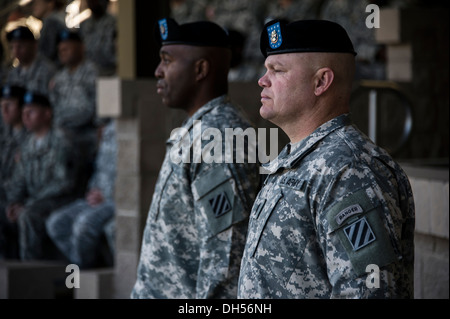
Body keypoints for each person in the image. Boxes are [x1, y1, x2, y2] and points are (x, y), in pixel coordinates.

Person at [237, 19, 415, 299]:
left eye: (277, 70)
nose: (262, 79)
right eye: (265, 69)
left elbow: (368, 293)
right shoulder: (300, 160)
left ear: (321, 81)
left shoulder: (349, 171)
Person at [131, 18, 260, 299]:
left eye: (167, 61)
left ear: (201, 69)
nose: (158, 71)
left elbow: (226, 264)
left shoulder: (220, 139)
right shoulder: (203, 129)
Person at [3, 91, 78, 260]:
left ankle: (31, 271)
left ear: (47, 114)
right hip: (35, 200)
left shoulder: (62, 140)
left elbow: (63, 183)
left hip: (61, 199)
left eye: (31, 112)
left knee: (28, 215)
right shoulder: (27, 143)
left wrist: (28, 203)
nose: (25, 117)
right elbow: (19, 180)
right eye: (23, 112)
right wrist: (13, 202)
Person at [46, 118, 117, 269]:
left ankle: (82, 276)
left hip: (116, 200)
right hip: (97, 197)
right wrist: (93, 190)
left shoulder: (129, 130)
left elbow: (134, 176)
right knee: (56, 223)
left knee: (83, 224)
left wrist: (107, 194)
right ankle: (88, 267)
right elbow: (100, 169)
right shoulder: (108, 131)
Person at [49, 29, 99, 197]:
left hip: (86, 134)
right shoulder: (59, 77)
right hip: (63, 134)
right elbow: (53, 108)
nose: (62, 53)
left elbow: (93, 109)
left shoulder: (92, 72)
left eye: (67, 49)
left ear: (80, 48)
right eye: (60, 50)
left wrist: (63, 121)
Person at [0, 85, 28, 259]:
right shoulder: (4, 136)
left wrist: (16, 202)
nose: (4, 110)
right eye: (1, 105)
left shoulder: (33, 137)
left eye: (9, 104)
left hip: (24, 202)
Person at [5, 26, 56, 95]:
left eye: (20, 46)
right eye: (12, 47)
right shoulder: (13, 73)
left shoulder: (47, 70)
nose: (16, 51)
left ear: (34, 45)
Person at [79, 0, 117, 76]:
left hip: (110, 71)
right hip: (88, 72)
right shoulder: (84, 24)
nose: (93, 3)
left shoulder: (114, 22)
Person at [31, 0, 67, 64]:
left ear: (50, 3)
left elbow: (46, 55)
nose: (33, 7)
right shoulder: (58, 18)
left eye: (37, 3)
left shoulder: (51, 22)